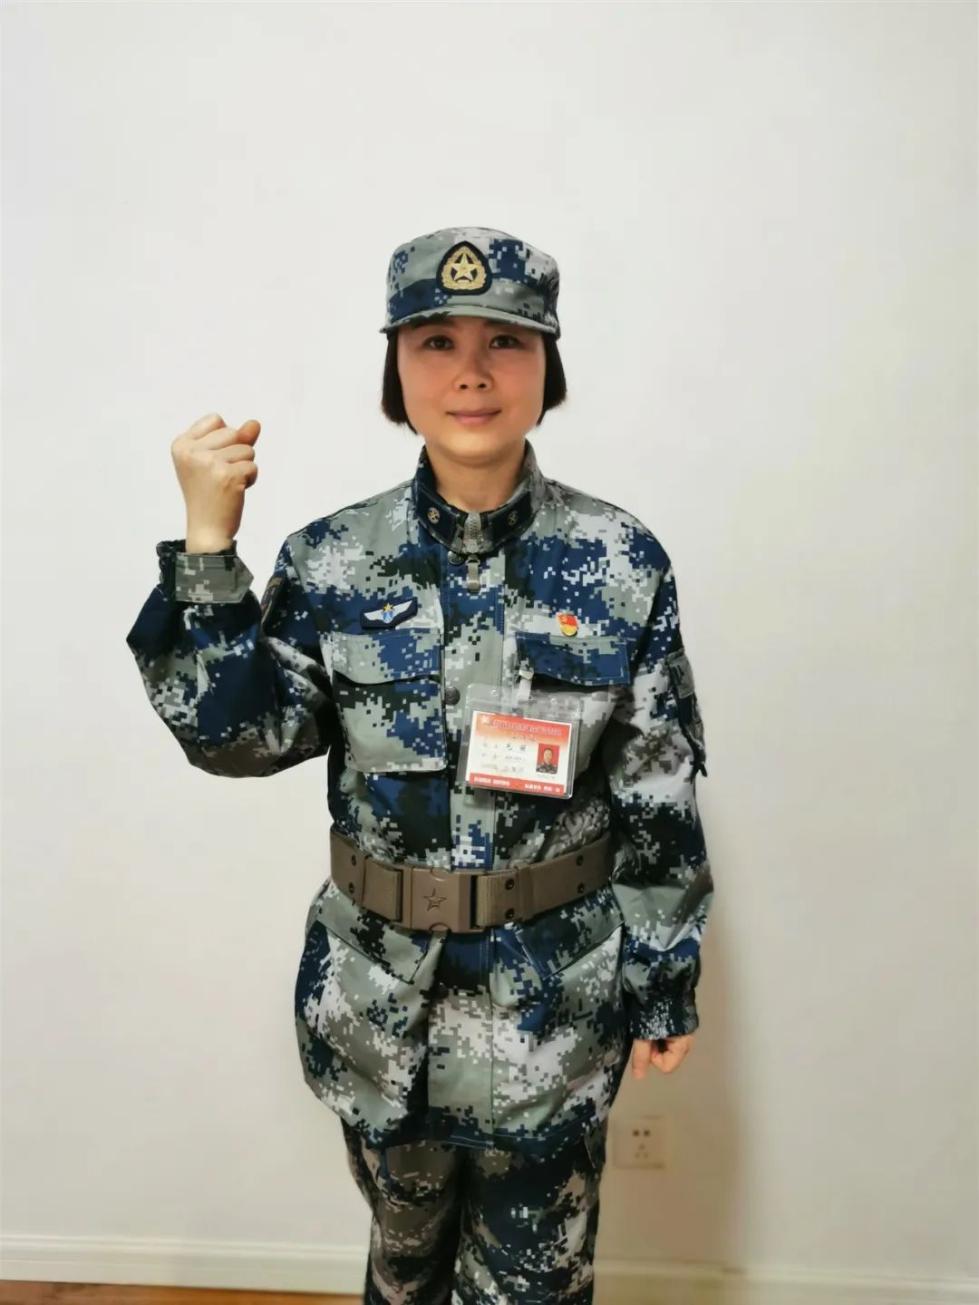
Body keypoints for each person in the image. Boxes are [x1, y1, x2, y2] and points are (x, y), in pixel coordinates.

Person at [125, 225, 714, 1304]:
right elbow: (238, 739)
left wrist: (664, 978)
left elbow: (656, 786)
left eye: (506, 341)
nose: (471, 372)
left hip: (555, 1006)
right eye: (436, 341)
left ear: (547, 364)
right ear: (396, 367)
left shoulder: (621, 559)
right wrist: (209, 549)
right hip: (381, 1004)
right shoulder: (332, 560)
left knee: (536, 1286)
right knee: (402, 1271)